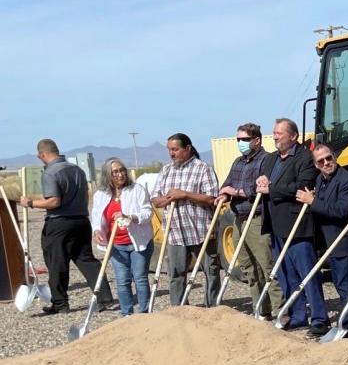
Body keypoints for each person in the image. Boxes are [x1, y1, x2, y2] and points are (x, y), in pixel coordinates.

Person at [20, 138, 113, 314]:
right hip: (80, 221)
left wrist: (30, 203)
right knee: (86, 260)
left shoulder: (50, 173)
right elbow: (86, 195)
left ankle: (60, 303)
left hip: (59, 223)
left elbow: (54, 201)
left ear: (42, 154)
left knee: (57, 263)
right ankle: (103, 297)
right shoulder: (77, 170)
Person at [257, 118, 325, 336]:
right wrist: (260, 184)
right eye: (274, 132)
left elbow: (303, 186)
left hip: (297, 225)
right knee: (286, 274)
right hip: (275, 224)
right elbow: (265, 183)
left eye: (280, 133)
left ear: (293, 136)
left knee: (307, 274)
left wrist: (272, 189)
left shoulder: (305, 158)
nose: (275, 136)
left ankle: (319, 318)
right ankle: (297, 315)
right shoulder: (270, 159)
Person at [297, 144, 348, 336]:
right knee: (340, 284)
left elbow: (341, 211)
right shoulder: (321, 179)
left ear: (334, 156)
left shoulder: (346, 180)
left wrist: (313, 202)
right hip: (330, 241)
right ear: (316, 164)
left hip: (344, 241)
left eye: (329, 158)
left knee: (346, 285)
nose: (326, 163)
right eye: (321, 161)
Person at [217, 123, 282, 319]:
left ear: (257, 140)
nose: (240, 143)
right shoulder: (238, 162)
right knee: (248, 267)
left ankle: (280, 309)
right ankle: (261, 308)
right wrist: (224, 194)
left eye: (244, 140)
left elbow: (256, 189)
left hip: (257, 219)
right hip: (238, 218)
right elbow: (227, 184)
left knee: (266, 265)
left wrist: (236, 192)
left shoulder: (267, 160)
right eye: (238, 140)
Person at [150, 133, 220, 307]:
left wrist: (185, 194)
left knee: (210, 271)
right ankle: (179, 310)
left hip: (201, 231)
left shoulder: (203, 168)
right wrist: (168, 199)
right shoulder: (166, 170)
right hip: (175, 233)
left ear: (187, 148)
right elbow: (155, 200)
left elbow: (212, 199)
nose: (171, 154)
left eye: (175, 149)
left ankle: (213, 308)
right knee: (175, 274)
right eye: (169, 150)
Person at [91, 158, 153, 315]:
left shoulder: (137, 190)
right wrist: (97, 231)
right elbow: (96, 216)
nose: (120, 174)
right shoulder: (101, 195)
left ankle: (145, 313)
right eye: (115, 172)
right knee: (122, 280)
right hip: (116, 245)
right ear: (107, 175)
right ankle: (127, 315)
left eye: (122, 170)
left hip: (138, 242)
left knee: (140, 278)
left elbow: (147, 212)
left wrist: (131, 216)